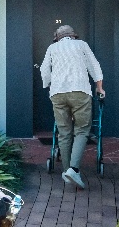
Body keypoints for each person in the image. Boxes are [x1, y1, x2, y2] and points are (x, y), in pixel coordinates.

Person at [39, 25, 105, 189]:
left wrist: (48, 84)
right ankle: (73, 169)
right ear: (73, 36)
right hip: (80, 90)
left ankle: (66, 171)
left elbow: (44, 69)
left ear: (58, 37)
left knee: (64, 132)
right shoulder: (81, 45)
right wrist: (99, 88)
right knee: (82, 130)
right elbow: (94, 66)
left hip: (57, 93)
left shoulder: (52, 48)